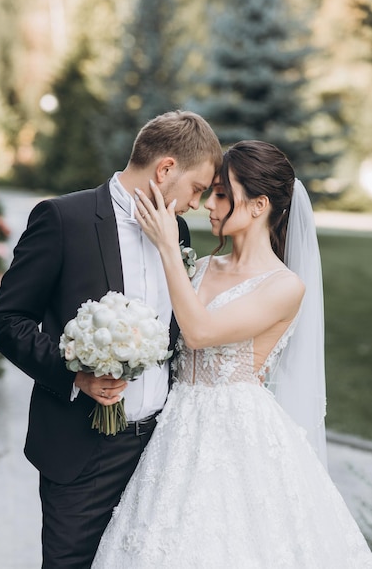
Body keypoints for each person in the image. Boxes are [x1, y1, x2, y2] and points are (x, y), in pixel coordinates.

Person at [92, 140, 372, 568]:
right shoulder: (201, 267)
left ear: (259, 205)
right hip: (175, 427)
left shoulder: (284, 286)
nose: (209, 204)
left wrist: (167, 247)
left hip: (237, 433)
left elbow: (200, 332)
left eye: (223, 193)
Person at [0, 110, 223, 568]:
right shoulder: (63, 219)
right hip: (83, 452)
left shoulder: (179, 233)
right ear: (166, 169)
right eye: (196, 188)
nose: (195, 204)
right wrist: (75, 373)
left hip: (159, 449)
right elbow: (6, 319)